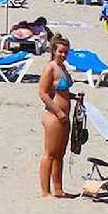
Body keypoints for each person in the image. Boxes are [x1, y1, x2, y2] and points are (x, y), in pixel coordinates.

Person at [38, 34, 79, 197]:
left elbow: (63, 92)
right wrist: (58, 111)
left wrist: (75, 97)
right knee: (49, 154)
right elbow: (43, 93)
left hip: (64, 116)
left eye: (66, 52)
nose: (63, 55)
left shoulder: (63, 68)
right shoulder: (50, 68)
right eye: (61, 51)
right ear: (54, 51)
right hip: (54, 116)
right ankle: (45, 191)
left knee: (60, 155)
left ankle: (59, 189)